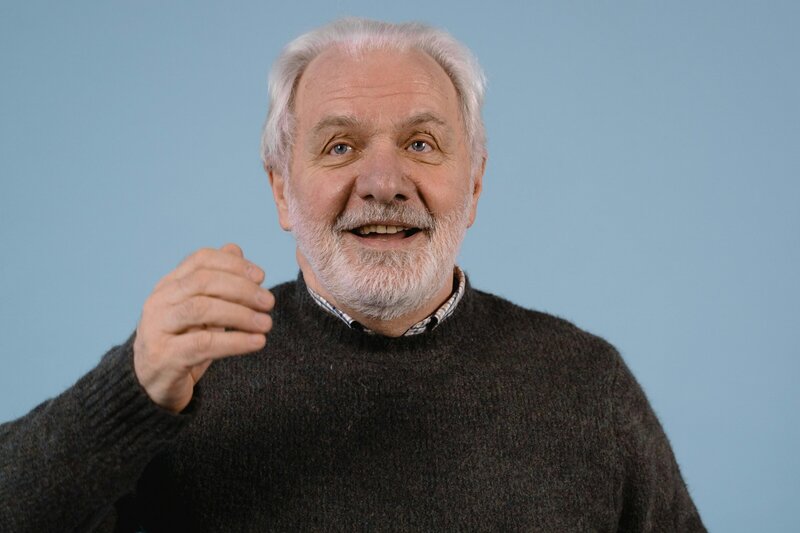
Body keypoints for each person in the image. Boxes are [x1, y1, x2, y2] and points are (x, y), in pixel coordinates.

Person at [0, 18, 706, 532]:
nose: (384, 182)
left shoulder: (584, 380)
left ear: (477, 183)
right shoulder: (184, 378)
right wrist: (129, 390)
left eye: (421, 144)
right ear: (281, 189)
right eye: (340, 145)